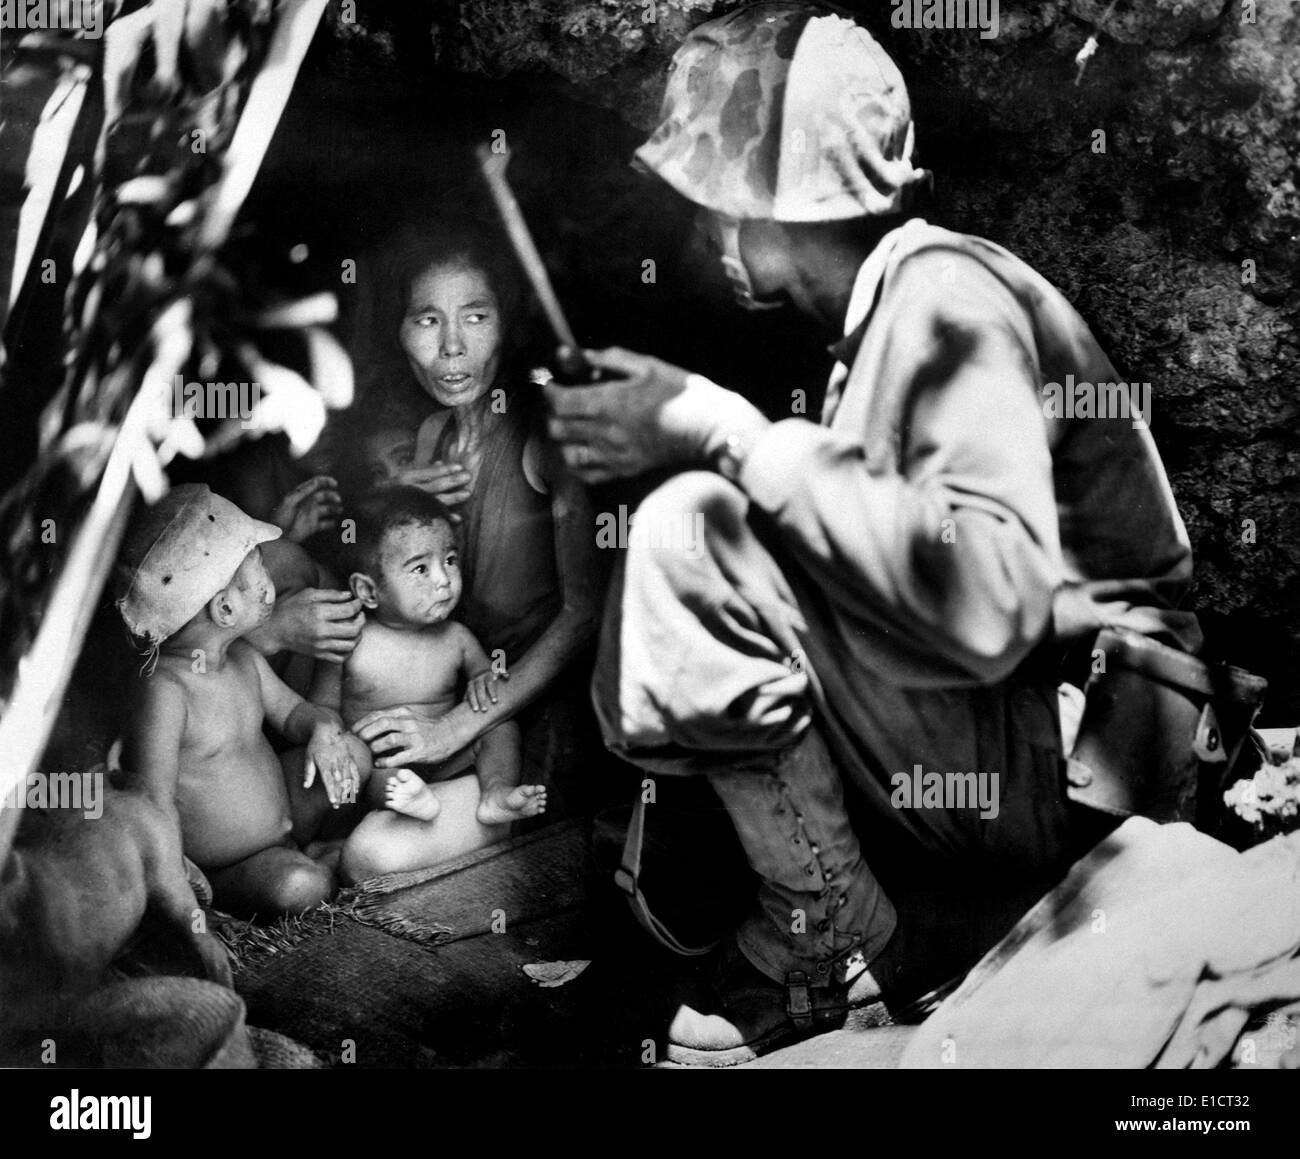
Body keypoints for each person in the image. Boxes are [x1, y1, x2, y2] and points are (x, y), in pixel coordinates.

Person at [541, 2, 1202, 1066]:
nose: (710, 237)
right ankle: (852, 923)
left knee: (692, 530)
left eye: (724, 206)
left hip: (1077, 761)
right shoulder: (900, 303)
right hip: (1027, 740)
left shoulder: (944, 298)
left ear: (788, 208)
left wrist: (718, 429)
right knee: (744, 521)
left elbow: (985, 600)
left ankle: (830, 944)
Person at [344, 220, 601, 799]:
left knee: (372, 857)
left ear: (507, 327)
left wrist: (451, 729)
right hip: (454, 684)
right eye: (428, 320)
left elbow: (585, 614)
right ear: (400, 331)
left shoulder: (548, 438)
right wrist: (396, 497)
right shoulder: (434, 434)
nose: (452, 346)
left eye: (477, 317)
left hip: (527, 717)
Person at [115, 485, 370, 919]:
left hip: (286, 812)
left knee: (353, 754)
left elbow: (292, 714)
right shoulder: (165, 693)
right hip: (232, 865)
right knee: (299, 887)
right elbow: (152, 802)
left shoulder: (243, 657)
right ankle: (318, 865)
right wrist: (180, 885)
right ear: (226, 611)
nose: (270, 585)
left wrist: (322, 731)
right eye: (260, 574)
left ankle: (312, 850)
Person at [312, 487, 547, 882]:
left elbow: (489, 681)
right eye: (420, 569)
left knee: (500, 724)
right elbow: (323, 708)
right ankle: (410, 806)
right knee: (379, 774)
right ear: (369, 591)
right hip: (386, 766)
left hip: (450, 758)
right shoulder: (348, 642)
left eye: (450, 560)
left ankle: (494, 791)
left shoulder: (457, 637)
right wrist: (336, 738)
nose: (444, 580)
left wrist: (486, 678)